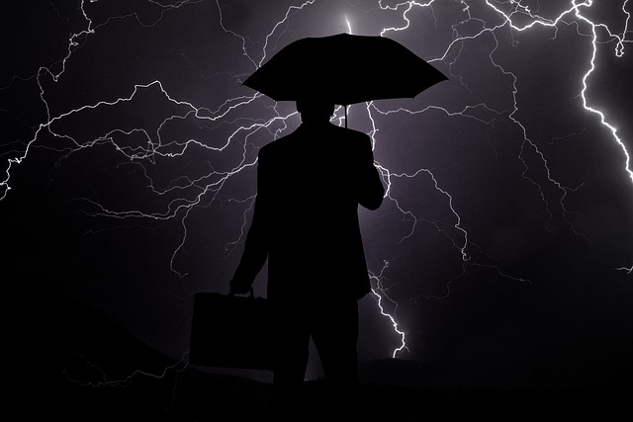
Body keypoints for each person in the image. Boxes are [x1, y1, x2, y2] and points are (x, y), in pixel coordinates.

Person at [229, 99, 385, 410]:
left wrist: (245, 274)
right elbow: (373, 199)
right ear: (333, 106)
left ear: (300, 105)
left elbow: (264, 222)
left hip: (290, 283)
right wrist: (359, 160)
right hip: (338, 281)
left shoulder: (274, 154)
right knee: (343, 377)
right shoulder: (353, 143)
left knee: (286, 377)